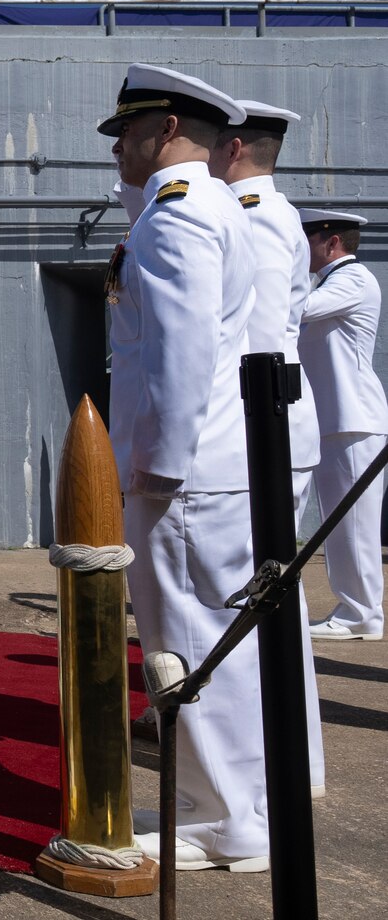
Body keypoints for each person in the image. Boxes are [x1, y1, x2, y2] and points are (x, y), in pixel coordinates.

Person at [99, 64, 268, 872]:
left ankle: (220, 823)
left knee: (189, 645)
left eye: (127, 133)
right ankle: (225, 810)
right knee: (211, 643)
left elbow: (180, 351)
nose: (117, 151)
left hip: (184, 474)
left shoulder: (175, 217)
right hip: (213, 466)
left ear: (163, 130)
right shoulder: (207, 206)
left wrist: (156, 469)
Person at [209, 99, 326, 795]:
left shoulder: (250, 218)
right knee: (279, 599)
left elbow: (251, 344)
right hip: (281, 416)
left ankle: (257, 775)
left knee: (252, 597)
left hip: (262, 420)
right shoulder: (276, 213)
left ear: (235, 148)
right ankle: (294, 757)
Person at [294, 207, 387, 642]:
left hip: (354, 420)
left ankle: (361, 615)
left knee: (353, 524)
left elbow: (303, 308)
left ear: (331, 242)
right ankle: (354, 609)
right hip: (335, 419)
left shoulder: (353, 279)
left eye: (305, 240)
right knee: (340, 521)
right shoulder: (332, 281)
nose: (300, 249)